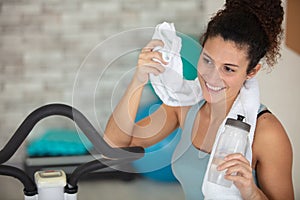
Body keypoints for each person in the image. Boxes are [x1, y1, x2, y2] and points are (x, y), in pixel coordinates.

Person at [104, 0, 294, 199]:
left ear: (252, 71)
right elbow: (113, 148)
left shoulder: (267, 133)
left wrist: (252, 193)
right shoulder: (186, 105)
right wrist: (139, 79)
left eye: (228, 69)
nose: (212, 77)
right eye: (207, 60)